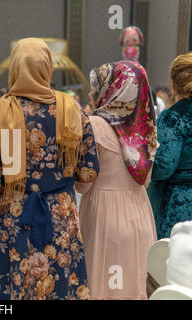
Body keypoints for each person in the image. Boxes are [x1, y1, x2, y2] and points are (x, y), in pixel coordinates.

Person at [0, 38, 100, 300]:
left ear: (15, 69)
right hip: (59, 216)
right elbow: (89, 171)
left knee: (8, 286)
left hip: (13, 216)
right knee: (58, 284)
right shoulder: (72, 108)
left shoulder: (1, 110)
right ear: (47, 67)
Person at [76, 61, 158, 300]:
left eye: (97, 86)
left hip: (105, 216)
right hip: (140, 214)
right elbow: (145, 179)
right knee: (133, 287)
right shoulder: (145, 127)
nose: (91, 93)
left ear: (114, 89)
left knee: (103, 287)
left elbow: (84, 182)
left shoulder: (95, 125)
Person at [148, 52, 192, 239]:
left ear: (172, 83)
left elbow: (164, 167)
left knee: (174, 263)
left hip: (178, 205)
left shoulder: (172, 117)